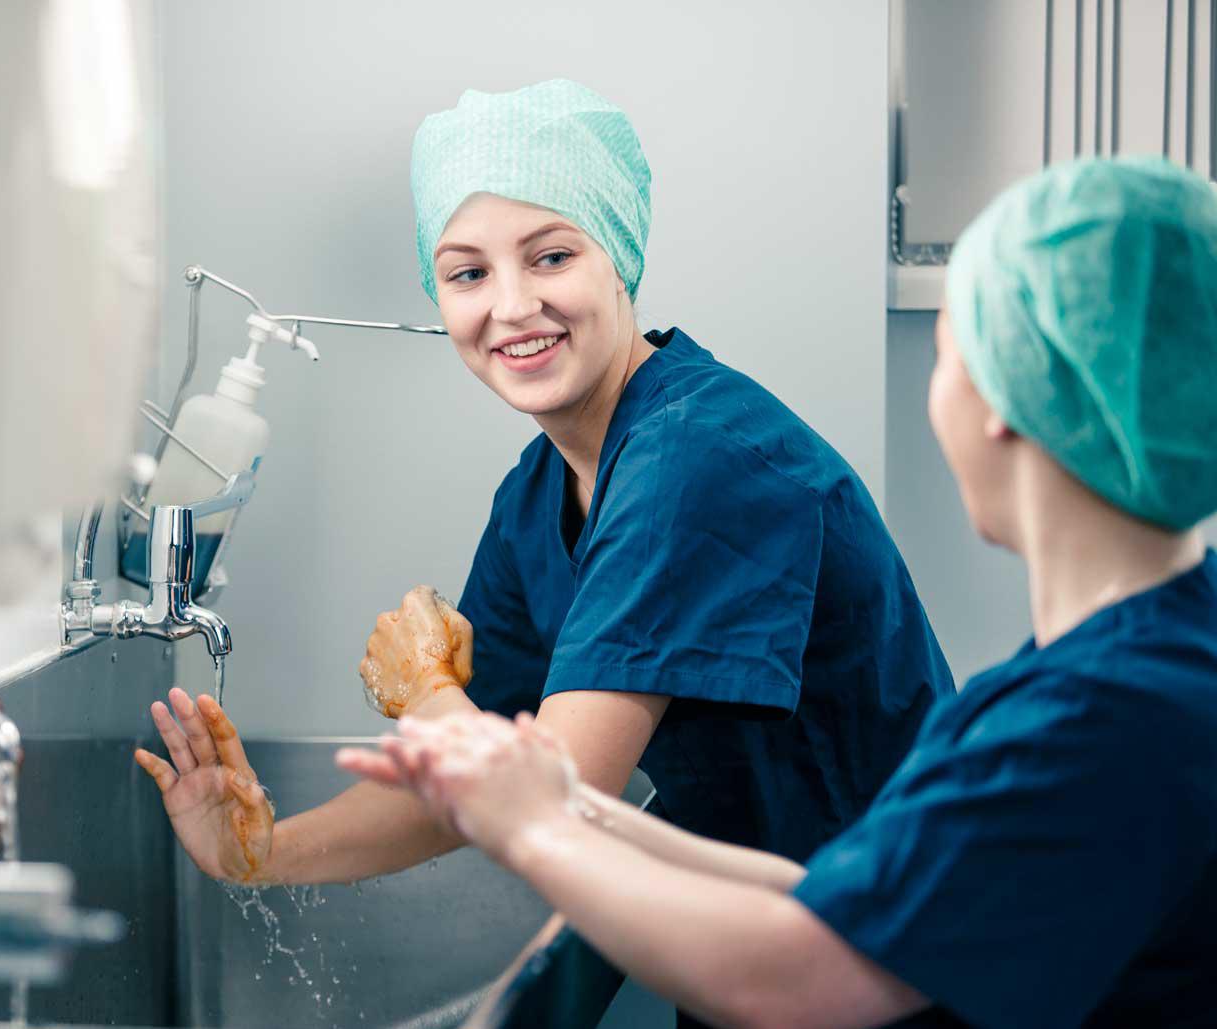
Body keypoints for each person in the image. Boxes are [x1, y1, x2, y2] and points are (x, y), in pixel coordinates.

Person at [342, 156, 1217, 1028]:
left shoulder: (1092, 722)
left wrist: (534, 821)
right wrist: (546, 803)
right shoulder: (1136, 666)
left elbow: (806, 973)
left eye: (949, 353)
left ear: (1003, 401)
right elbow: (829, 897)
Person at [135, 78, 948, 939]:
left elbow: (549, 794)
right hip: (783, 954)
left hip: (898, 955)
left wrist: (423, 691)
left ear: (620, 256)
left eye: (552, 256)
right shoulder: (539, 493)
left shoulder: (694, 457)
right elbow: (477, 776)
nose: (513, 305)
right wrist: (260, 853)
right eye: (468, 273)